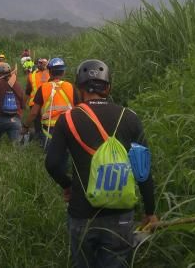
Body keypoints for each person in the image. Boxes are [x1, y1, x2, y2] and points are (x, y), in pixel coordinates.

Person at [44, 60, 158, 268]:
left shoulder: (68, 118)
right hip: (121, 217)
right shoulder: (130, 117)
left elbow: (52, 164)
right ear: (109, 88)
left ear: (79, 88)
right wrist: (150, 211)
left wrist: (68, 186)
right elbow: (143, 171)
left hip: (81, 213)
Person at [22, 57, 75, 147]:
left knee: (49, 152)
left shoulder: (43, 88)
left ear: (49, 72)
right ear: (64, 72)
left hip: (49, 128)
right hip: (68, 126)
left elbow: (34, 113)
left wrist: (25, 126)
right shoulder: (71, 87)